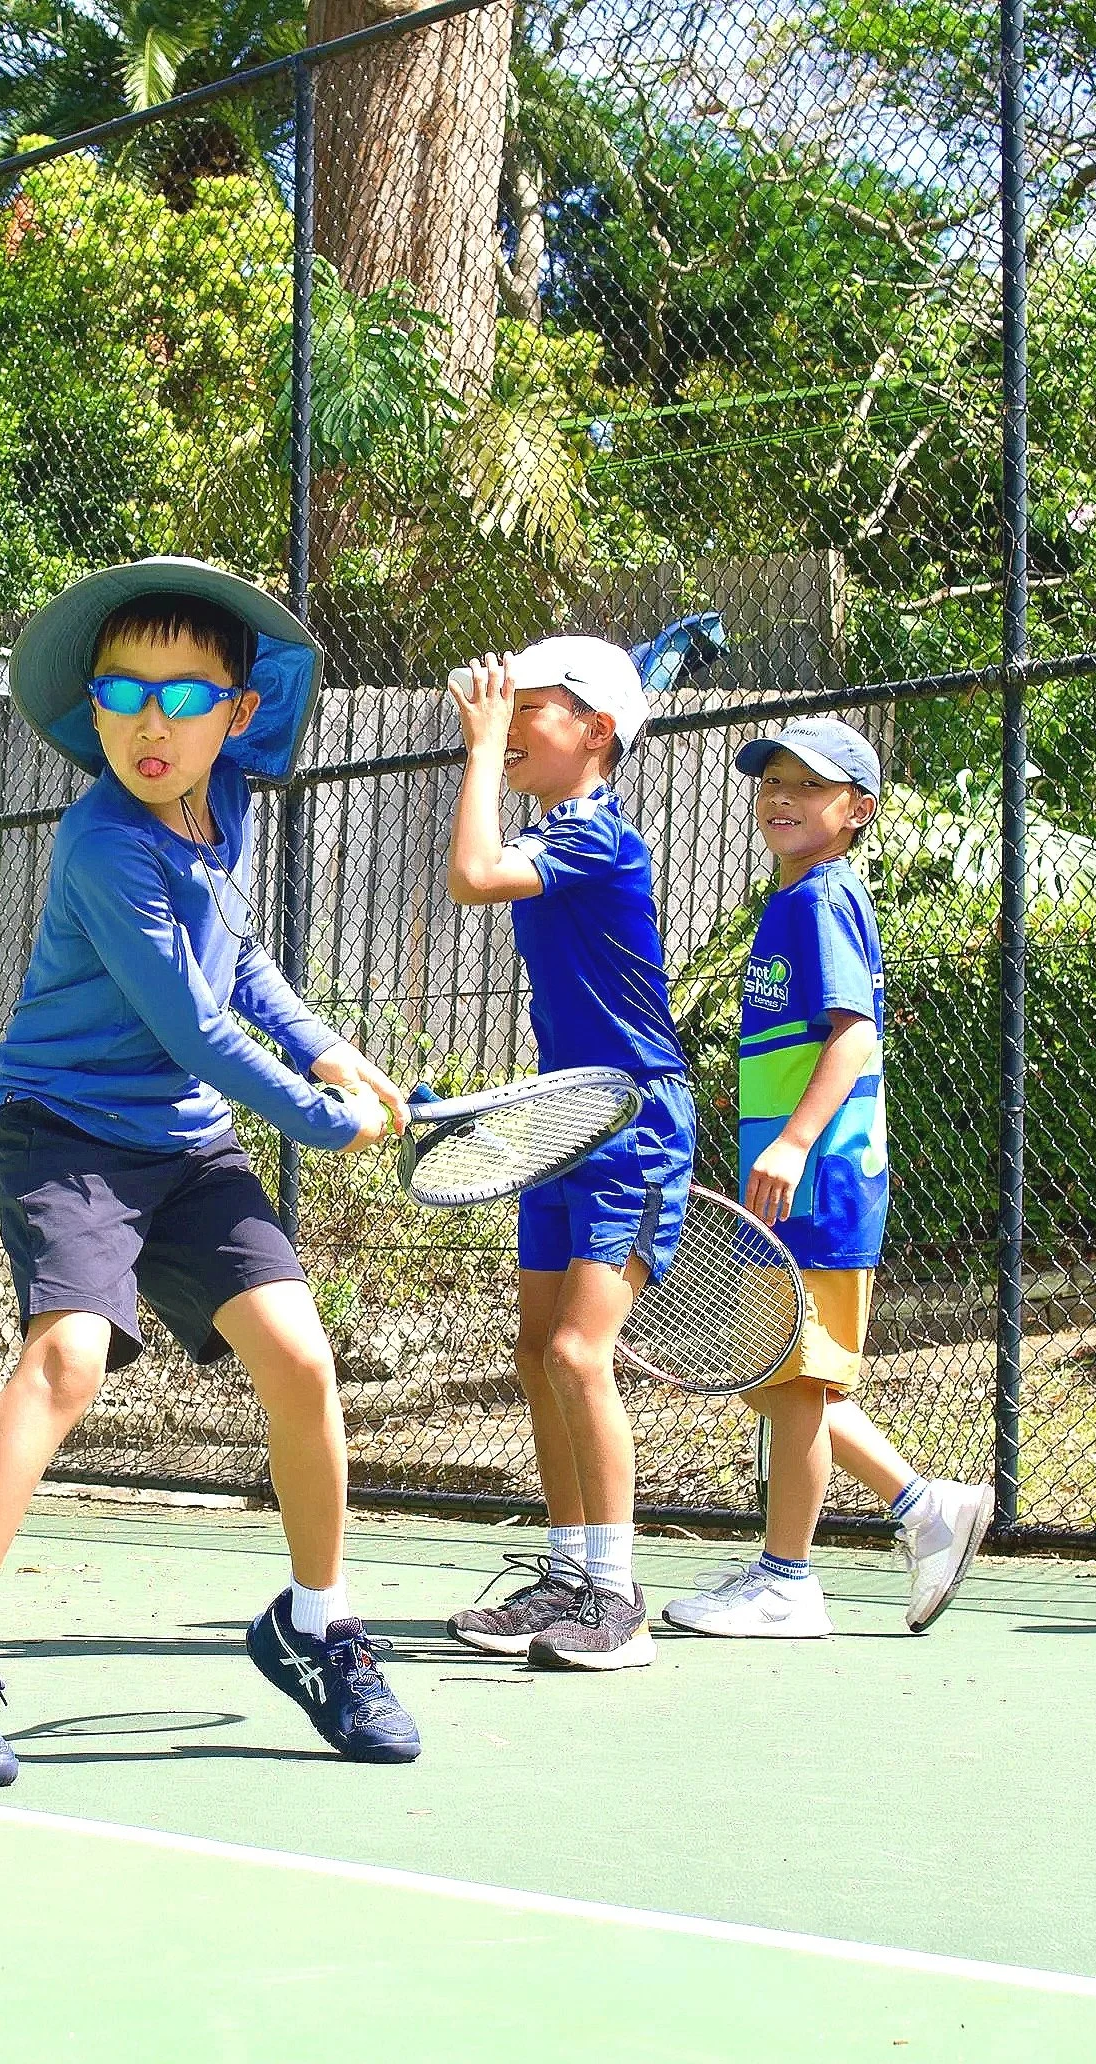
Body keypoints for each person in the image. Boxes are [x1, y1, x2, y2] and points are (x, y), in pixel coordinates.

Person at [0, 557, 422, 1784]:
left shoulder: (226, 811)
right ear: (93, 710)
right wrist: (314, 1121)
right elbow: (192, 1025)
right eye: (122, 692)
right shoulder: (103, 841)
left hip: (184, 1144)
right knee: (67, 1358)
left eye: (182, 694)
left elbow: (242, 957)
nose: (150, 722)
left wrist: (326, 1047)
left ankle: (317, 1625)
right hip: (68, 1129)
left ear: (238, 711)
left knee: (302, 1360)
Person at [663, 717, 994, 1639]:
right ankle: (926, 1509)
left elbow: (854, 1036)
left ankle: (788, 1579)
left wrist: (795, 1142)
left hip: (820, 1185)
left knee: (797, 1383)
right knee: (785, 1379)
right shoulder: (795, 901)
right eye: (774, 780)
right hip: (798, 1187)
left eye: (811, 786)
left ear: (858, 812)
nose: (783, 796)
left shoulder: (820, 902)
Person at [437, 639, 695, 1670]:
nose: (507, 724)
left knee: (582, 1354)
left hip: (633, 1125)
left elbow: (470, 875)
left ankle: (616, 1600)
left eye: (531, 709)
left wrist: (480, 748)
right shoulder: (563, 827)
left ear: (596, 733)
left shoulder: (599, 840)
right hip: (565, 1115)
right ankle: (563, 1575)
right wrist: (504, 732)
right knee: (535, 1352)